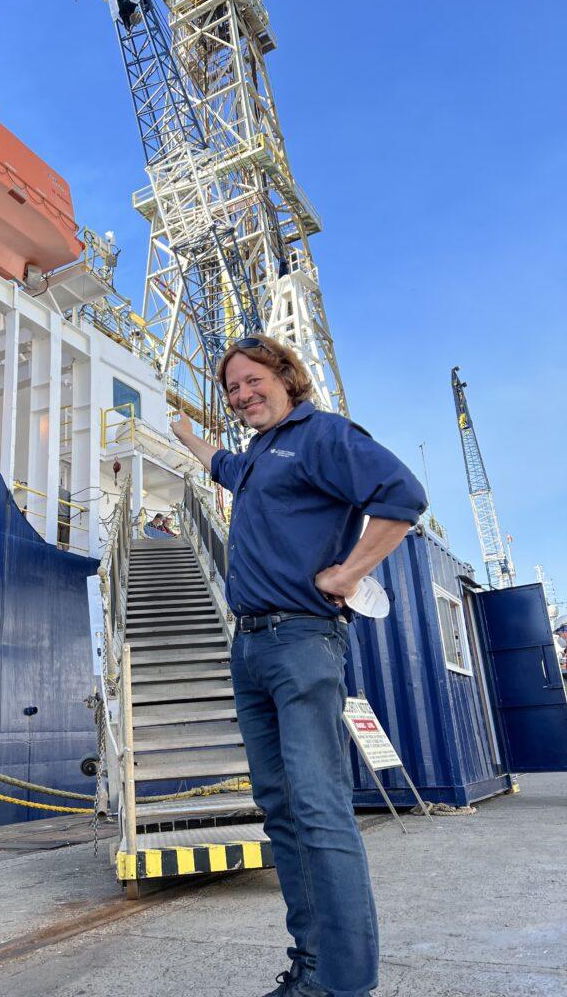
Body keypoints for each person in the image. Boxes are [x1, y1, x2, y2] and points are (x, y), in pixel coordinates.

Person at [171, 334, 427, 997]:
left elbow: (402, 494)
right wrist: (184, 434)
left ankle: (343, 984)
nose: (242, 394)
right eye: (232, 388)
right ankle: (312, 969)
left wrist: (350, 572)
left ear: (288, 377)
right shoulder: (258, 458)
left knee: (317, 807)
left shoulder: (320, 435)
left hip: (301, 641)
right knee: (281, 809)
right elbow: (222, 465)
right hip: (250, 646)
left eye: (253, 380)